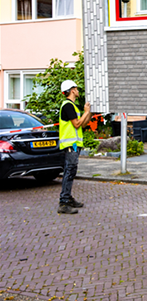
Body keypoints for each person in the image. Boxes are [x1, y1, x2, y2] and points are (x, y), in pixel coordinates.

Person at [57, 80, 91, 214]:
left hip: (75, 145)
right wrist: (85, 112)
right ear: (72, 90)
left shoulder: (73, 106)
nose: (78, 90)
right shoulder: (67, 106)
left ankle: (68, 198)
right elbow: (77, 124)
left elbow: (83, 124)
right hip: (70, 145)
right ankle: (64, 202)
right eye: (76, 88)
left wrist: (87, 113)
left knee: (71, 171)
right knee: (69, 171)